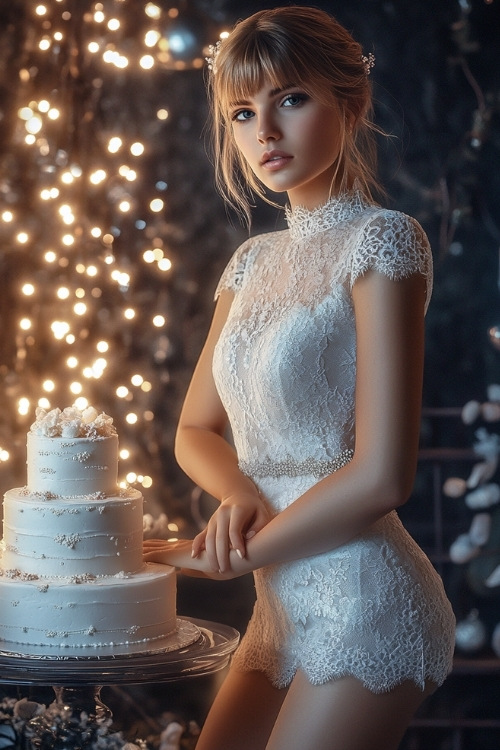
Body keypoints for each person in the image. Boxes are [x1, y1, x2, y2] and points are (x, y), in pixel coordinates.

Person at [144, 7, 456, 750]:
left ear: (353, 103)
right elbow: (194, 429)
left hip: (365, 597)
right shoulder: (250, 263)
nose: (264, 134)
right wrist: (241, 493)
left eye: (290, 99)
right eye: (243, 113)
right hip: (280, 605)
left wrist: (232, 552)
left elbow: (383, 476)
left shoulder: (383, 240)